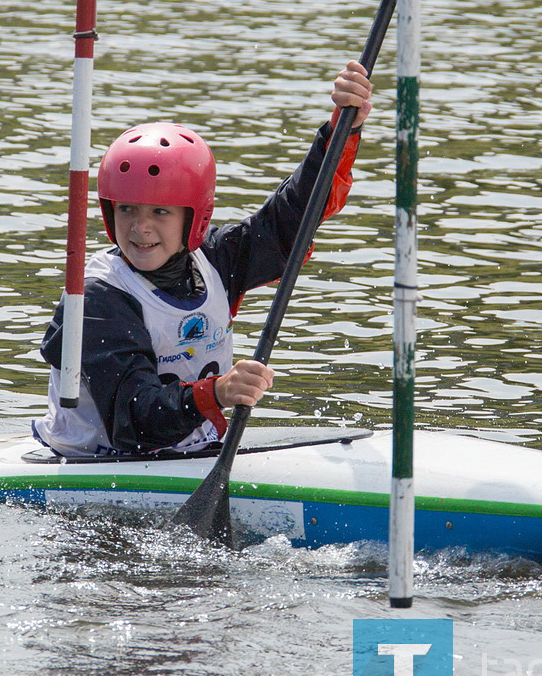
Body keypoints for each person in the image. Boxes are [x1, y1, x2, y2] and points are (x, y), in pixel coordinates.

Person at [35, 61, 373, 457]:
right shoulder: (96, 301)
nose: (140, 228)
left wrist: (341, 131)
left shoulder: (214, 258)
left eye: (160, 212)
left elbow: (294, 217)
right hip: (97, 464)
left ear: (196, 217)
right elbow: (135, 421)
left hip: (185, 454)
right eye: (127, 209)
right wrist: (217, 393)